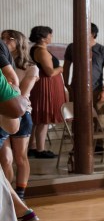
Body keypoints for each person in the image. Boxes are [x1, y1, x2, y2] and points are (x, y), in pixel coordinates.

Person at [0, 30, 39, 198]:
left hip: (21, 113)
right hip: (3, 113)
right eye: (2, 38)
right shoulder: (3, 63)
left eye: (8, 38)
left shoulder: (31, 67)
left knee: (20, 157)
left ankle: (21, 194)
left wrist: (10, 88)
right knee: (5, 159)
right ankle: (8, 196)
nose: (4, 41)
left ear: (18, 42)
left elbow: (21, 94)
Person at [63, 22, 104, 125]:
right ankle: (77, 135)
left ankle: (97, 135)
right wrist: (66, 84)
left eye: (83, 31)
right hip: (76, 89)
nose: (79, 34)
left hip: (96, 90)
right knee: (77, 118)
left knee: (97, 119)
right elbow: (66, 67)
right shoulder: (72, 47)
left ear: (93, 34)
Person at [27, 26, 63, 159]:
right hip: (45, 86)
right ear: (43, 37)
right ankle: (40, 149)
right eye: (50, 35)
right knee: (43, 117)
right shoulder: (41, 51)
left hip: (43, 84)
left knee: (38, 119)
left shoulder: (36, 49)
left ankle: (32, 147)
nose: (51, 37)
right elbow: (50, 72)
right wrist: (61, 68)